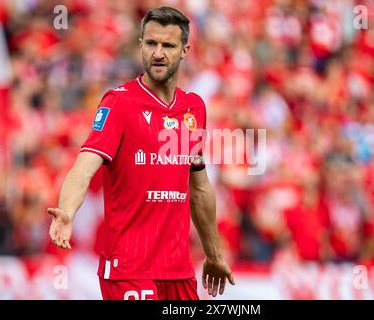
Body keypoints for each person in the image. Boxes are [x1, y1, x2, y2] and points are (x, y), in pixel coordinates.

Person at [47, 6, 234, 300]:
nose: (158, 53)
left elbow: (199, 188)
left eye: (168, 45)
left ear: (184, 50)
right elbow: (84, 167)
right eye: (151, 43)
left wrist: (214, 254)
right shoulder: (118, 104)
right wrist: (67, 212)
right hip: (129, 271)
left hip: (179, 272)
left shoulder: (194, 109)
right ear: (141, 46)